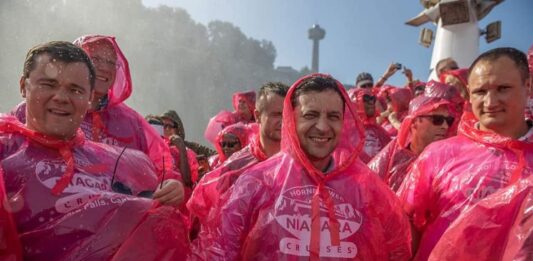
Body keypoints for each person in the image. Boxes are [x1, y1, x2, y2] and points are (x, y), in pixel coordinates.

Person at [1, 41, 188, 260]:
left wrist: (171, 187)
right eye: (48, 84)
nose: (61, 97)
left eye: (75, 89)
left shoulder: (123, 162)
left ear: (90, 97)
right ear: (24, 86)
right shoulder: (5, 154)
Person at [202, 74, 412, 260]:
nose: (322, 127)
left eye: (333, 116)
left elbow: (398, 251)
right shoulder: (256, 184)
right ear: (291, 120)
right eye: (310, 115)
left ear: (344, 122)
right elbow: (219, 252)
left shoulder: (368, 189)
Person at [397, 47, 533, 260]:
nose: (490, 102)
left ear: (528, 87)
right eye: (480, 92)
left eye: (503, 88)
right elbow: (404, 228)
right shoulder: (438, 154)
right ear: (469, 93)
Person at [188, 82, 288, 253]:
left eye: (287, 115)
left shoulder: (300, 165)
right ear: (257, 116)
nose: (282, 121)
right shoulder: (235, 168)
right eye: (276, 114)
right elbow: (211, 232)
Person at [368, 95, 453, 191]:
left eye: (449, 121)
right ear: (414, 122)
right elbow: (366, 187)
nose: (445, 126)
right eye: (437, 120)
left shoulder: (451, 160)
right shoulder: (393, 155)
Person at [350, 88, 391, 163]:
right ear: (354, 102)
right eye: (366, 98)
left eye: (373, 98)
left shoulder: (378, 129)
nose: (371, 102)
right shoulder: (347, 134)